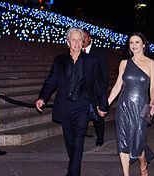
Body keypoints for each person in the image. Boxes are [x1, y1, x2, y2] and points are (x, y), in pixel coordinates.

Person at [35, 27, 108, 176]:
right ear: (68, 42)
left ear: (83, 42)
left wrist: (103, 104)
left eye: (79, 40)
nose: (76, 42)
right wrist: (43, 97)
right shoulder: (59, 60)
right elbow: (51, 80)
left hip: (82, 105)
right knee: (69, 140)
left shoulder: (91, 61)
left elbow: (99, 84)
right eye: (73, 39)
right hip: (65, 105)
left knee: (79, 139)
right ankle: (75, 166)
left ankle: (73, 172)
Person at [108, 32, 154, 176]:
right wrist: (107, 103)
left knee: (139, 140)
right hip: (123, 106)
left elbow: (153, 87)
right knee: (123, 140)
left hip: (143, 107)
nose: (134, 45)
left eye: (137, 42)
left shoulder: (151, 63)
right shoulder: (124, 63)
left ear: (143, 44)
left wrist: (152, 102)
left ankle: (143, 164)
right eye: (131, 42)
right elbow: (118, 85)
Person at [82, 29, 109, 146]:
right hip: (81, 91)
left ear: (90, 38)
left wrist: (102, 91)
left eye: (85, 37)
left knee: (98, 116)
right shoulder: (77, 51)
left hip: (96, 91)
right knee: (82, 114)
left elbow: (104, 74)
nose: (82, 40)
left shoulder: (99, 53)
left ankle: (100, 137)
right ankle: (82, 134)